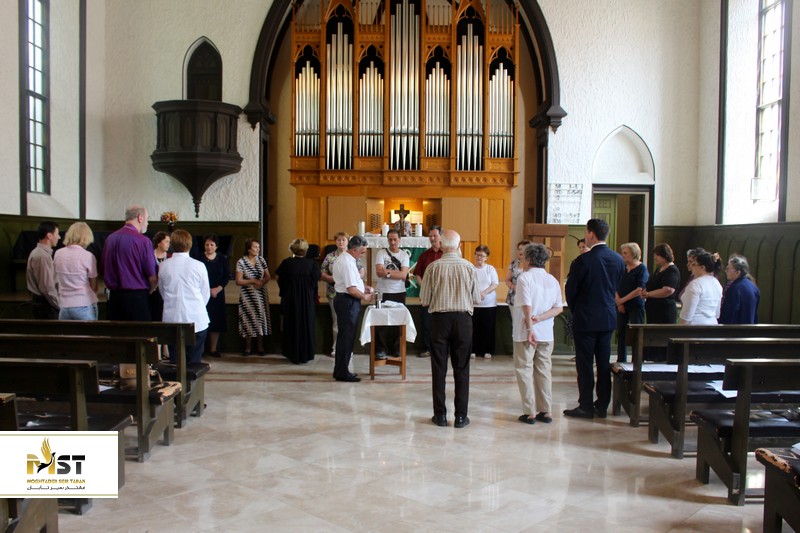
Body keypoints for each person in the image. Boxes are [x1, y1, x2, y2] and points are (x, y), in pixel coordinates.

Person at [564, 218, 625, 419]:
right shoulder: (618, 259)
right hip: (607, 317)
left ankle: (586, 406)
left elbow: (571, 290)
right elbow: (617, 286)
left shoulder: (583, 260)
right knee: (604, 363)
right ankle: (602, 405)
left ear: (591, 234)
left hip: (586, 317)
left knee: (585, 364)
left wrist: (576, 309)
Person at [419, 229, 480, 428]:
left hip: (439, 320)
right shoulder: (469, 267)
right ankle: (461, 417)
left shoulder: (433, 267)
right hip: (463, 320)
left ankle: (440, 416)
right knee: (462, 369)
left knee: (439, 369)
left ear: (442, 246)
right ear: (459, 246)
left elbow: (424, 300)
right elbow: (476, 299)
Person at [513, 243, 563, 425]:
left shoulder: (524, 278)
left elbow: (527, 306)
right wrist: (540, 318)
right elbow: (558, 308)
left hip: (526, 333)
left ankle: (529, 412)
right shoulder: (552, 280)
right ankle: (546, 411)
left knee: (524, 369)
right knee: (544, 371)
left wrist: (530, 328)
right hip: (546, 333)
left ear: (528, 259)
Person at [157, 229, 210, 365]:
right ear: (190, 244)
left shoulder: (163, 266)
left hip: (172, 318)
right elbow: (205, 293)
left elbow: (162, 292)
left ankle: (177, 379)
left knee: (176, 362)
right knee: (194, 362)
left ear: (172, 245)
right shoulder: (199, 266)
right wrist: (195, 307)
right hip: (196, 319)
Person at [102, 205, 157, 321]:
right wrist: (151, 289)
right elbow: (152, 275)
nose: (147, 223)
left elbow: (104, 267)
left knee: (117, 332)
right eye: (147, 219)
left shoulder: (110, 239)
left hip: (114, 298)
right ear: (140, 218)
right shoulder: (143, 241)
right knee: (140, 332)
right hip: (137, 299)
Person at [331, 235, 374, 382]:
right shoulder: (347, 263)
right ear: (355, 250)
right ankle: (342, 372)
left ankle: (340, 370)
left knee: (345, 336)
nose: (362, 255)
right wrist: (365, 296)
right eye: (362, 252)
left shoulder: (347, 259)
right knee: (346, 337)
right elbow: (351, 289)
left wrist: (363, 287)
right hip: (347, 302)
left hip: (346, 300)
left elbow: (353, 283)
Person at [275, 238, 321, 364]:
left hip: (291, 298)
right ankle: (305, 354)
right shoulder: (312, 264)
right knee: (306, 324)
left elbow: (278, 277)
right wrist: (312, 294)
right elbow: (315, 282)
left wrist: (285, 290)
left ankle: (292, 353)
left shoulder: (286, 263)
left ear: (292, 249)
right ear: (306, 250)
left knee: (292, 324)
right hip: (307, 300)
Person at [321, 232, 365, 358]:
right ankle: (336, 348)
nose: (341, 242)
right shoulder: (330, 256)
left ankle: (346, 349)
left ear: (348, 242)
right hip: (335, 292)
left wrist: (352, 278)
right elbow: (322, 273)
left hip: (350, 292)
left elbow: (361, 271)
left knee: (348, 325)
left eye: (343, 240)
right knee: (337, 321)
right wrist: (336, 278)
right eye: (338, 240)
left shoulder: (354, 255)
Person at [374, 229, 410, 358]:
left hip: (399, 292)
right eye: (390, 239)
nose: (393, 242)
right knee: (381, 322)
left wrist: (387, 273)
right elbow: (379, 272)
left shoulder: (404, 255)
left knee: (398, 321)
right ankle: (381, 349)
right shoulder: (381, 253)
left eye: (395, 239)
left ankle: (396, 348)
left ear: (399, 239)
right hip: (382, 292)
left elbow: (404, 275)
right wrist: (396, 273)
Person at [53, 222, 98, 320]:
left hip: (64, 305)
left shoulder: (58, 254)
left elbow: (56, 279)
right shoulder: (88, 256)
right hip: (84, 304)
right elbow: (93, 285)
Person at [235, 238, 271, 355]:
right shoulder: (241, 262)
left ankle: (260, 347)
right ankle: (248, 347)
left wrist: (262, 282)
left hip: (260, 294)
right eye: (255, 247)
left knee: (260, 319)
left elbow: (268, 276)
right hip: (247, 296)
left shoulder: (261, 260)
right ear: (248, 249)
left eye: (258, 247)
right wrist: (253, 281)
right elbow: (238, 281)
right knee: (248, 319)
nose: (258, 249)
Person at [614, 242, 648, 363]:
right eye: (622, 253)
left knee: (636, 334)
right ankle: (621, 360)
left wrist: (622, 300)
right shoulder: (622, 268)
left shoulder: (641, 269)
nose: (622, 255)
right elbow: (614, 285)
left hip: (635, 305)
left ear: (634, 254)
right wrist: (619, 302)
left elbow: (639, 289)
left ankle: (636, 361)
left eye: (625, 253)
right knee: (621, 332)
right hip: (620, 305)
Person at [414, 225, 443, 357]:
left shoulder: (446, 254)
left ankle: (441, 349)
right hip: (427, 295)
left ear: (441, 236)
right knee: (427, 323)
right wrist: (424, 288)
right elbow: (417, 274)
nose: (432, 238)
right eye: (430, 236)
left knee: (443, 323)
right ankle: (427, 348)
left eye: (435, 235)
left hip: (443, 295)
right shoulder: (424, 255)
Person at [200, 234, 230, 357]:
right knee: (201, 321)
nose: (209, 247)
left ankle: (213, 349)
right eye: (207, 244)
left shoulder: (222, 258)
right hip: (202, 295)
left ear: (216, 246)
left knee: (216, 321)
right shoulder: (198, 258)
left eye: (212, 245)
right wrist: (206, 290)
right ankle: (200, 349)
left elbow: (226, 276)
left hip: (217, 294)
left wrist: (217, 289)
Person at [26, 221, 60, 319]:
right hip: (45, 306)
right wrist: (59, 305)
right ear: (49, 235)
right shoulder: (42, 256)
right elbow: (47, 287)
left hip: (45, 304)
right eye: (57, 234)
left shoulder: (42, 253)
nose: (59, 237)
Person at [679, 250, 723, 324]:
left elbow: (687, 315)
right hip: (712, 324)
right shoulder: (717, 283)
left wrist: (680, 329)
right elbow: (717, 313)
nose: (691, 266)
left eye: (694, 264)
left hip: (696, 325)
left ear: (702, 267)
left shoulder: (695, 284)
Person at [641, 243, 681, 325]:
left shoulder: (671, 270)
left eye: (658, 255)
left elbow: (668, 290)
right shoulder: (659, 269)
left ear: (665, 255)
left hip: (664, 311)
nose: (655, 257)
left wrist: (648, 294)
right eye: (655, 255)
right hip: (654, 310)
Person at [471, 244, 499, 359]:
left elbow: (495, 284)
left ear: (486, 257)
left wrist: (484, 292)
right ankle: (473, 350)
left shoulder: (490, 269)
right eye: (477, 255)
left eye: (482, 256)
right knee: (474, 328)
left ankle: (487, 350)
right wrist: (475, 293)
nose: (479, 258)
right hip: (473, 304)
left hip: (489, 304)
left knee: (488, 328)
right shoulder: (471, 268)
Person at [719, 255, 760, 324]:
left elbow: (728, 314)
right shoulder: (754, 287)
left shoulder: (734, 289)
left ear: (738, 272)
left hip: (736, 328)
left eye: (728, 269)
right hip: (751, 327)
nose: (726, 271)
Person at [505, 239, 532, 326]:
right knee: (516, 323)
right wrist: (512, 286)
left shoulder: (533, 264)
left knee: (528, 322)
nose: (520, 251)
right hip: (514, 297)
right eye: (519, 249)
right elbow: (507, 279)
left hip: (528, 297)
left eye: (523, 249)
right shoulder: (514, 263)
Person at [149, 231, 170, 323]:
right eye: (166, 241)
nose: (168, 244)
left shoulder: (170, 257)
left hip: (166, 292)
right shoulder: (149, 256)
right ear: (158, 243)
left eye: (169, 242)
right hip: (152, 291)